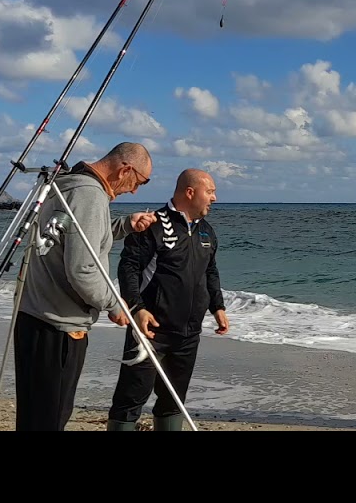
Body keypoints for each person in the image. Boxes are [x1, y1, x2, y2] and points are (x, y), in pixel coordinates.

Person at [12, 141, 156, 431]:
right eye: (138, 181)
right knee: (50, 419)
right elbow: (82, 268)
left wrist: (126, 224)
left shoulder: (66, 185)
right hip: (59, 326)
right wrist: (115, 306)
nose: (135, 189)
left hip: (33, 317)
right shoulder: (90, 195)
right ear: (124, 169)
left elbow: (78, 237)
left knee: (33, 418)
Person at [106, 168, 230, 431]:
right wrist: (136, 308)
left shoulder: (207, 232)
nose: (214, 198)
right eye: (210, 191)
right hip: (151, 331)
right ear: (190, 192)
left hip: (188, 334)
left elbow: (210, 270)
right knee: (130, 399)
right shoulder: (153, 225)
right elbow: (128, 268)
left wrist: (217, 306)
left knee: (174, 400)